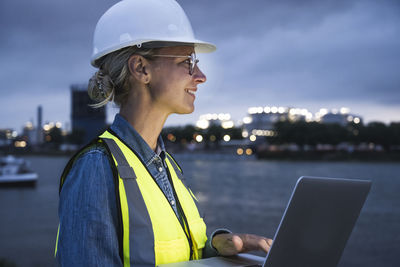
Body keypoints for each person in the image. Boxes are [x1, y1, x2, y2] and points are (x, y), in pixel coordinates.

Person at [55, 0, 272, 266]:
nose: (201, 76)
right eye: (187, 62)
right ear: (141, 69)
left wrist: (216, 248)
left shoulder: (165, 165)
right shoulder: (96, 168)